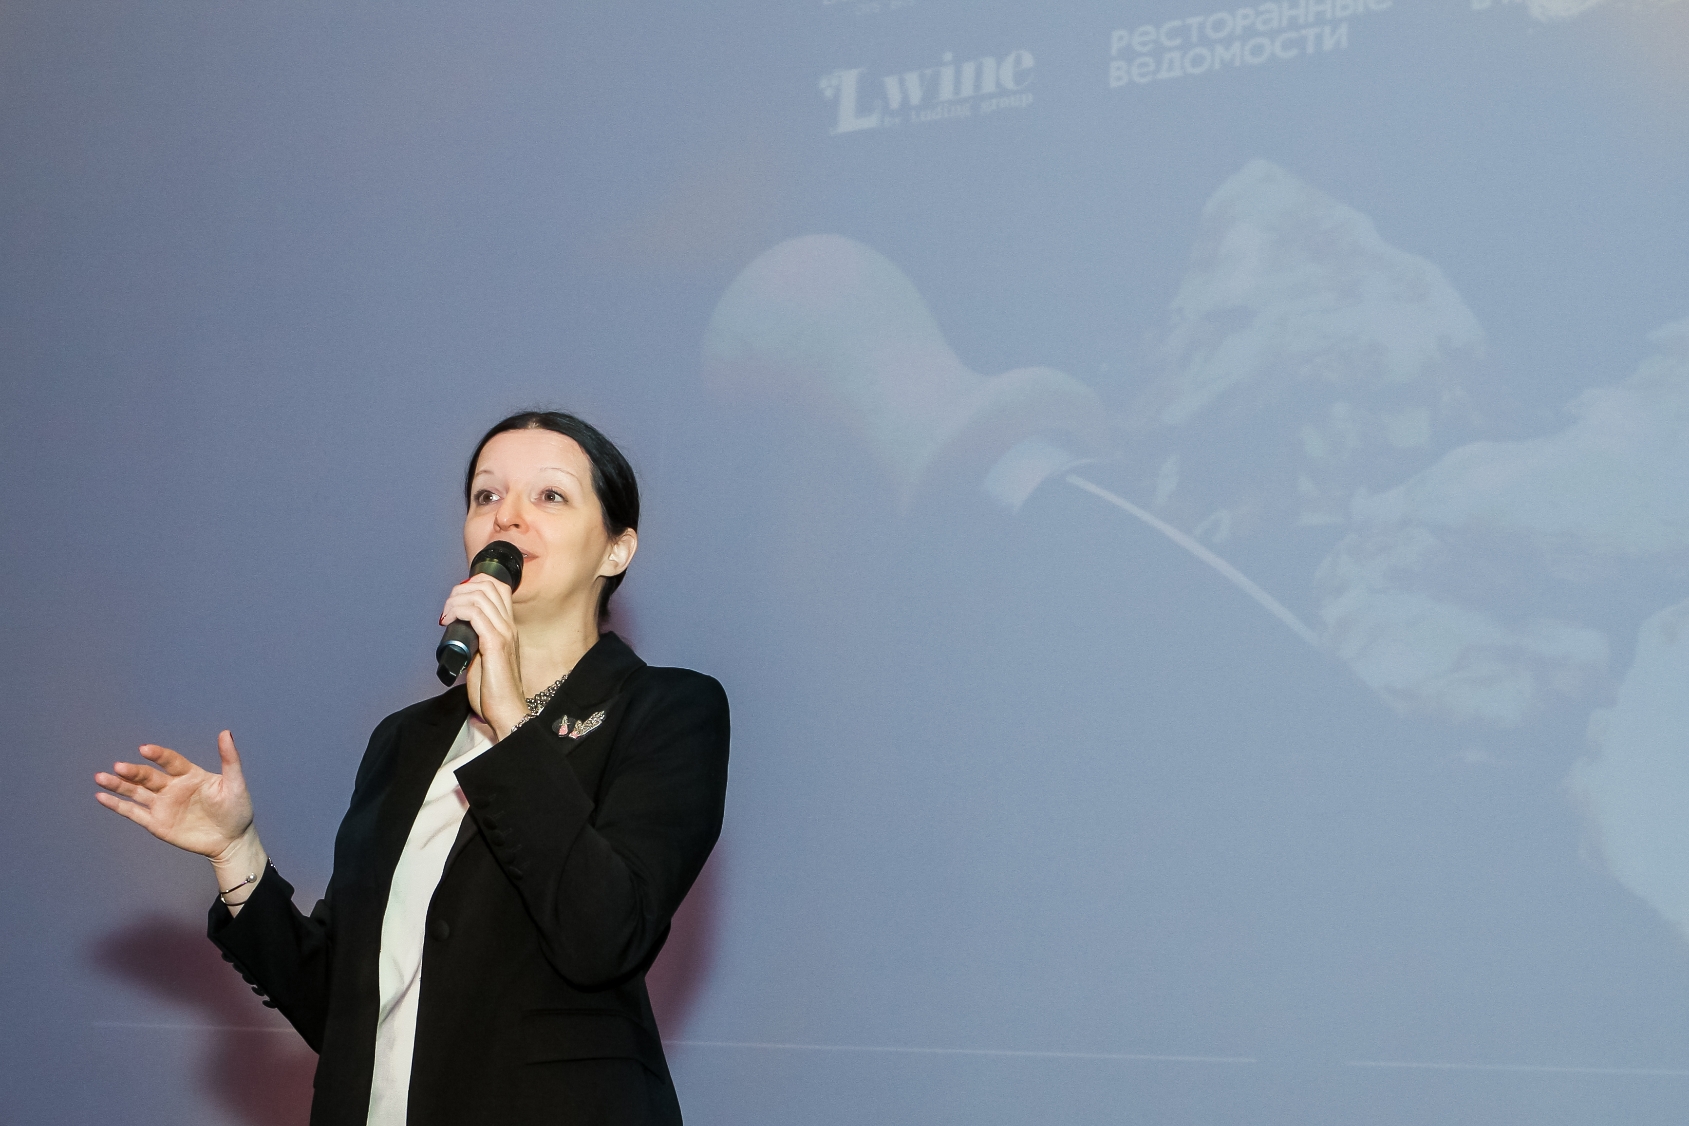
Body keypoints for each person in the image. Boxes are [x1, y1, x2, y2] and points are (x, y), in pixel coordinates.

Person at [94, 410, 730, 1126]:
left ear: (616, 549)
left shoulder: (666, 710)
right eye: (486, 496)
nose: (507, 517)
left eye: (549, 496)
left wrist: (511, 724)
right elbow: (342, 1010)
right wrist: (234, 851)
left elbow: (603, 937)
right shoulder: (406, 739)